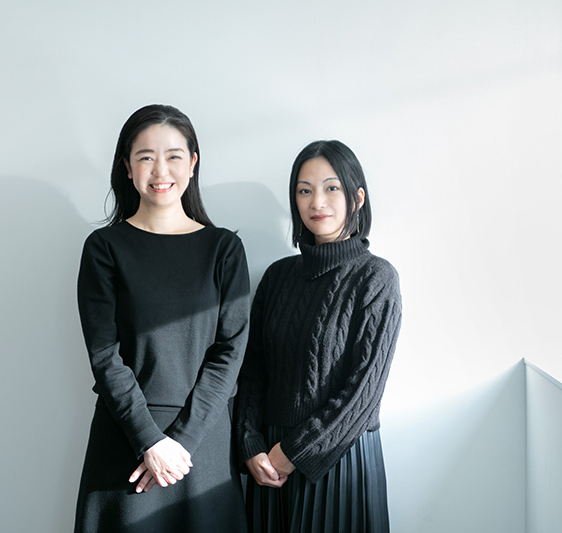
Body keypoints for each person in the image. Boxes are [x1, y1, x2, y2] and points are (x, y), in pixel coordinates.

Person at [75, 104, 249, 532]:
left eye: (173, 156)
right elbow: (104, 355)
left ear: (192, 163)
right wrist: (149, 440)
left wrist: (180, 443)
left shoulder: (224, 249)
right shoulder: (104, 248)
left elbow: (230, 354)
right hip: (125, 442)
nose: (160, 170)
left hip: (202, 445)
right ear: (127, 167)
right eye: (145, 157)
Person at [235, 140, 402, 532]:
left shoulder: (376, 277)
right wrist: (250, 444)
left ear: (357, 197)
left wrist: (295, 452)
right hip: (269, 464)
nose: (317, 202)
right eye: (304, 190)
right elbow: (253, 371)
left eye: (331, 188)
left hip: (338, 459)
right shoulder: (277, 277)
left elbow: (363, 392)